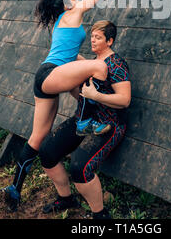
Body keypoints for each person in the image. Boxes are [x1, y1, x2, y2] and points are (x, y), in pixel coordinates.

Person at [3, 0, 127, 211]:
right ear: (67, 3)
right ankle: (86, 121)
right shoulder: (73, 13)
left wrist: (80, 67)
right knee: (98, 66)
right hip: (51, 74)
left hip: (47, 77)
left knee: (38, 138)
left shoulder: (63, 20)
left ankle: (15, 188)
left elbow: (70, 55)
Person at [38, 20, 131, 220]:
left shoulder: (117, 65)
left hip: (109, 126)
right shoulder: (92, 64)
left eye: (98, 37)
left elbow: (124, 100)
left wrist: (96, 96)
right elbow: (83, 96)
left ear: (110, 41)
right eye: (92, 37)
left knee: (80, 167)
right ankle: (66, 198)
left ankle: (100, 214)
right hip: (85, 120)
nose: (93, 40)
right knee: (46, 151)